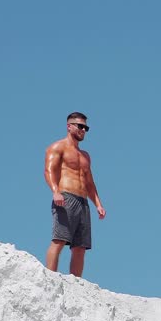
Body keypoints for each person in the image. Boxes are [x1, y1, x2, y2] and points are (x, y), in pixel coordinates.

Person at [44, 112, 106, 277]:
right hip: (66, 197)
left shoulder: (85, 156)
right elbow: (48, 171)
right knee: (60, 239)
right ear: (69, 126)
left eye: (86, 128)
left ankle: (76, 283)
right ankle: (50, 277)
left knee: (80, 247)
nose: (83, 130)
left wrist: (98, 204)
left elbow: (89, 182)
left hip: (83, 202)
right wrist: (56, 192)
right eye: (80, 126)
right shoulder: (58, 147)